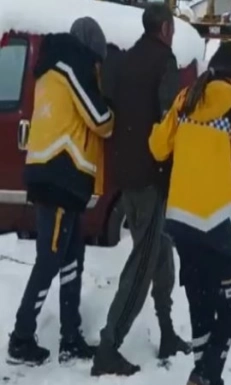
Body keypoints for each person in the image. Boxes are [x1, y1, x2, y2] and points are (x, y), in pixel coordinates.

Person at [148, 41, 231, 385]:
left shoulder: (186, 99)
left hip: (182, 226)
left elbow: (158, 148)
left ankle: (202, 376)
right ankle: (206, 376)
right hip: (218, 229)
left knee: (201, 307)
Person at [91, 3, 190, 377]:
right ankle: (108, 346)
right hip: (152, 175)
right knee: (144, 262)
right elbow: (169, 117)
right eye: (173, 27)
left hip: (127, 173)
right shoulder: (164, 61)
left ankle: (165, 330)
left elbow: (113, 105)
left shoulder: (128, 58)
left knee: (160, 250)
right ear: (164, 28)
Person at [6, 17, 112, 366]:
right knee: (50, 260)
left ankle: (70, 336)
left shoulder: (49, 68)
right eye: (98, 59)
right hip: (60, 176)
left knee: (71, 258)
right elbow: (100, 119)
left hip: (54, 175)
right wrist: (111, 104)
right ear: (91, 50)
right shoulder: (72, 66)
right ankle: (21, 339)